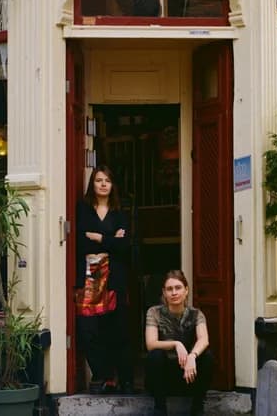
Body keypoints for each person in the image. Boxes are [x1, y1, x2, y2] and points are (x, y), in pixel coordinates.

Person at [75, 166, 134, 394]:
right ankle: (102, 375)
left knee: (118, 330)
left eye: (107, 180)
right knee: (88, 330)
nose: (103, 184)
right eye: (98, 180)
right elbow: (80, 243)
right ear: (93, 184)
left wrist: (99, 237)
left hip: (114, 279)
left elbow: (124, 246)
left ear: (112, 185)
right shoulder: (83, 209)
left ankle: (126, 380)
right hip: (88, 279)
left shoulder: (120, 212)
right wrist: (111, 240)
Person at [144, 270, 212, 416]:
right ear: (164, 292)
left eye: (178, 288)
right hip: (162, 377)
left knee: (207, 356)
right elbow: (150, 343)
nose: (174, 293)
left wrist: (192, 356)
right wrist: (176, 344)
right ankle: (160, 409)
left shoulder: (196, 314)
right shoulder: (154, 312)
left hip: (187, 376)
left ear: (186, 290)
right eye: (169, 289)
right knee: (155, 355)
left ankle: (197, 408)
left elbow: (204, 339)